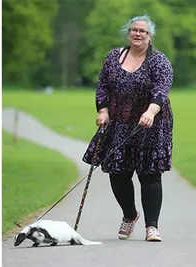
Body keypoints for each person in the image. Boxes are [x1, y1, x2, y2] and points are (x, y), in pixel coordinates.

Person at [82, 14, 174, 242]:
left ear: (150, 36)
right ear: (128, 32)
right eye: (134, 29)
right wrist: (102, 111)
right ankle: (129, 215)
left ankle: (152, 226)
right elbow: (103, 85)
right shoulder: (114, 57)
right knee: (118, 173)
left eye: (143, 31)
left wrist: (151, 112)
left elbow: (161, 90)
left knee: (149, 174)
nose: (137, 34)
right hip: (119, 121)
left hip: (150, 123)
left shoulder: (159, 61)